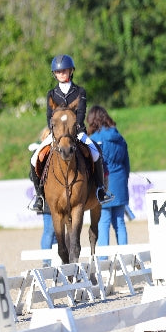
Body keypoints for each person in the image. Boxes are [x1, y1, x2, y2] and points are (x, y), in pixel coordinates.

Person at [28, 54, 113, 212]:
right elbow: (49, 116)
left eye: (64, 71)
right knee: (35, 158)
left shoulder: (80, 91)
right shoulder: (51, 94)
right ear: (55, 74)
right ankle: (39, 196)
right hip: (57, 136)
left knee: (96, 153)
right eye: (59, 72)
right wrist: (56, 132)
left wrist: (74, 129)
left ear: (71, 71)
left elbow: (81, 113)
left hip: (77, 133)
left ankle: (101, 190)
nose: (62, 74)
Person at [87, 105, 130, 247]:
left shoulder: (94, 139)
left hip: (104, 183)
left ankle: (103, 259)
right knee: (120, 222)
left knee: (103, 222)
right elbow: (126, 164)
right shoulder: (120, 138)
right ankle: (125, 256)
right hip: (121, 181)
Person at [28, 127, 58, 265]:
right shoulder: (40, 153)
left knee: (58, 232)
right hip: (47, 197)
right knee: (49, 231)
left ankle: (57, 260)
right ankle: (46, 261)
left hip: (60, 197)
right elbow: (32, 176)